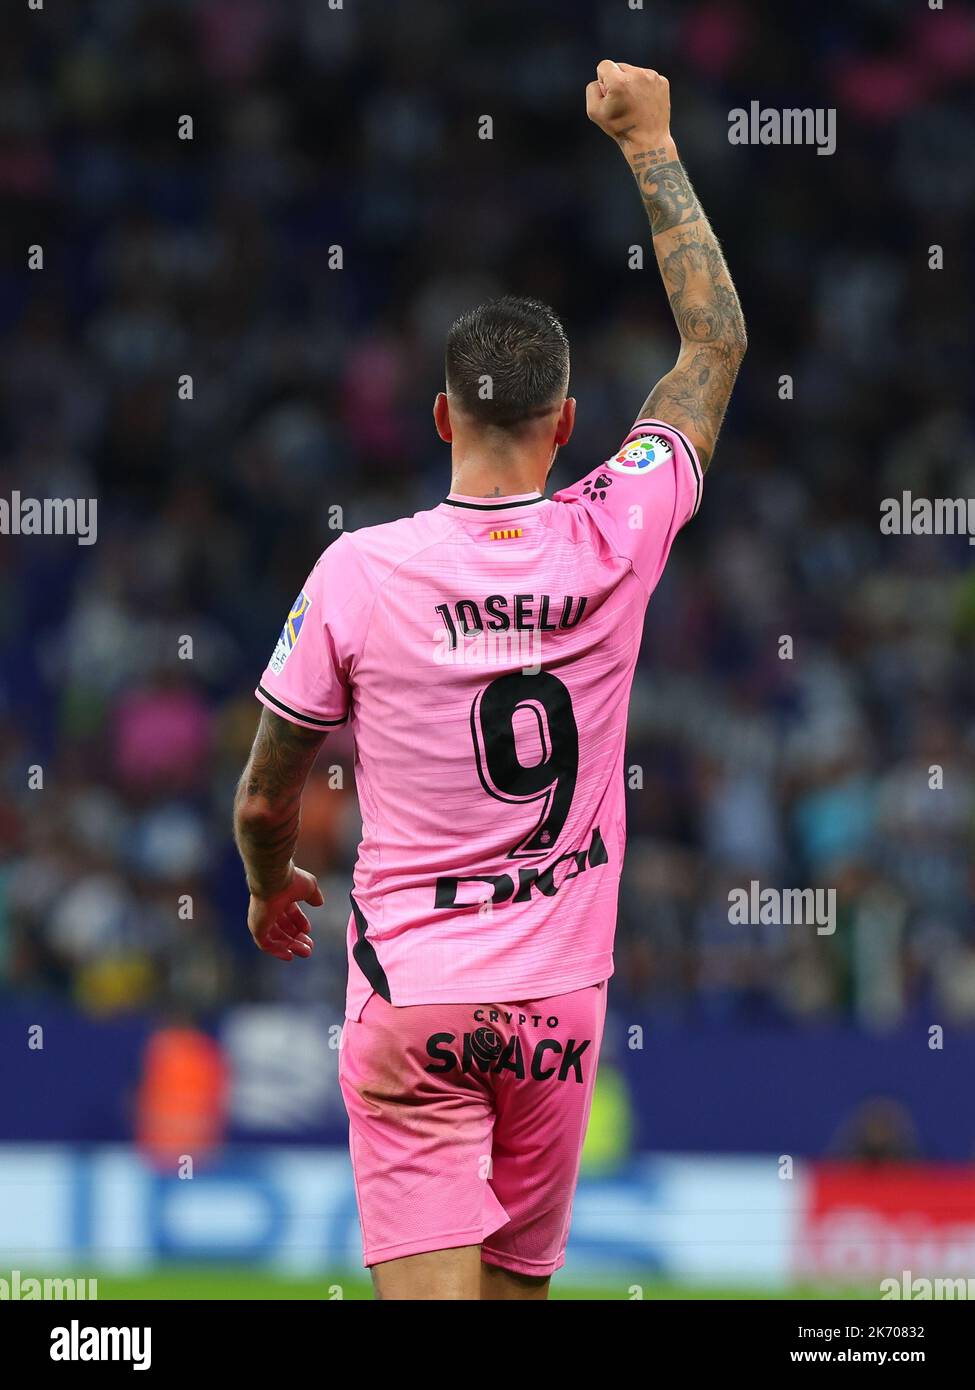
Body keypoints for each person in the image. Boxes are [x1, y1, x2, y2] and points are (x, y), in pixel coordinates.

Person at [233, 60, 745, 1300]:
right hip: (557, 1011)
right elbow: (715, 339)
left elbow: (264, 799)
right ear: (570, 425)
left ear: (440, 417)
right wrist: (652, 142)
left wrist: (265, 885)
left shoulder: (359, 570)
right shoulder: (617, 530)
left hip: (415, 999)